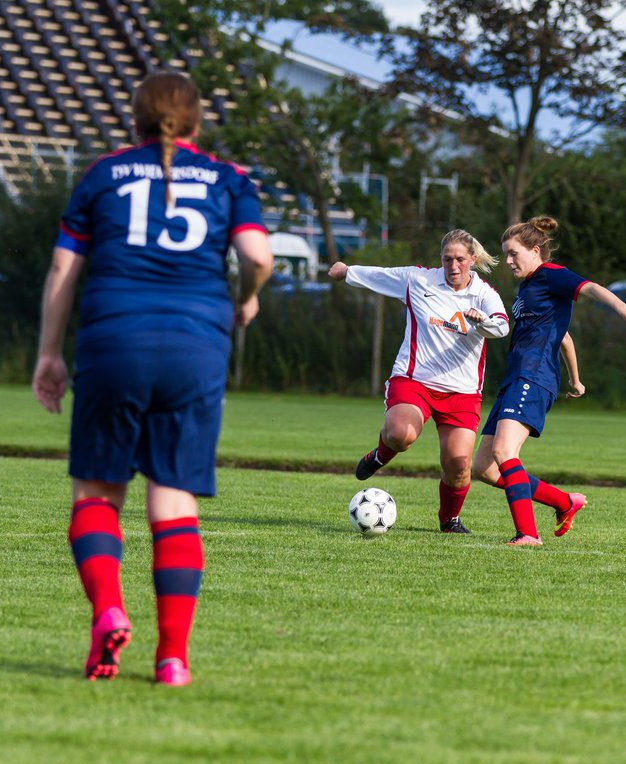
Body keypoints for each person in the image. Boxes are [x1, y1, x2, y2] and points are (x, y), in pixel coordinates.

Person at [31, 71, 274, 686]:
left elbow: (64, 266)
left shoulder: (104, 174)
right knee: (172, 500)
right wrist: (246, 299)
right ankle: (172, 659)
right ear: (196, 123)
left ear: (135, 120)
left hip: (114, 342)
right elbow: (259, 257)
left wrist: (49, 354)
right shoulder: (228, 178)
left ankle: (109, 609)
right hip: (195, 348)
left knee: (96, 495)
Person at [472, 216, 626, 546]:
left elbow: (591, 288)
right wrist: (576, 379)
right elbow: (564, 336)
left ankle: (528, 534)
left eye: (514, 254)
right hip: (516, 378)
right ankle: (563, 502)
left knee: (504, 451)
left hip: (533, 376)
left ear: (535, 250)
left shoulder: (550, 275)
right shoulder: (528, 286)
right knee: (484, 468)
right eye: (506, 254)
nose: (509, 261)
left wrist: (624, 309)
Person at [327, 230, 508, 533]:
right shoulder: (418, 280)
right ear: (440, 259)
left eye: (460, 260)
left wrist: (483, 322)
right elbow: (381, 276)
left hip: (461, 392)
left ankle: (449, 521)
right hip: (415, 380)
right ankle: (380, 455)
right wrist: (347, 272)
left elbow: (501, 327)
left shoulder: (484, 294)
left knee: (459, 464)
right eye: (447, 259)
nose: (453, 266)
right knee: (401, 434)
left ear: (472, 260)